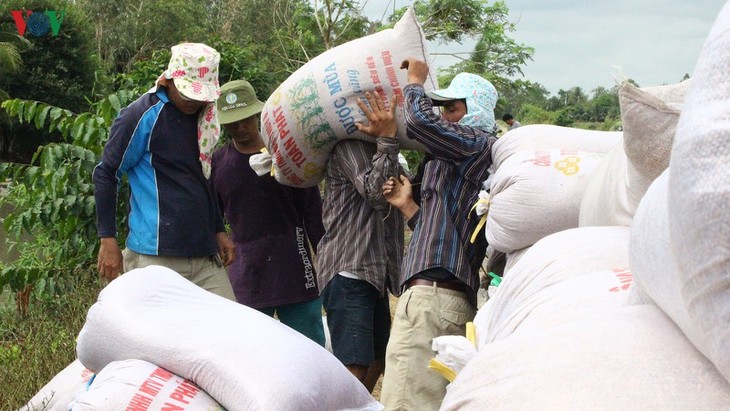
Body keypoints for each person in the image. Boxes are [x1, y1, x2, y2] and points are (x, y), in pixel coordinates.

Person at [378, 59, 498, 410]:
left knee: (405, 402)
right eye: (442, 106)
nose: (444, 114)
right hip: (442, 298)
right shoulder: (457, 159)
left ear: (475, 110)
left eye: (452, 106)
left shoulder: (475, 143)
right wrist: (408, 208)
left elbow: (417, 121)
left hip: (432, 300)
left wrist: (415, 80)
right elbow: (447, 233)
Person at [93, 42, 236, 301]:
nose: (194, 100)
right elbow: (106, 174)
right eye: (188, 93)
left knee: (228, 331)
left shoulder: (204, 116)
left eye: (200, 95)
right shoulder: (141, 115)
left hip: (203, 254)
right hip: (155, 256)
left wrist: (218, 230)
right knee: (158, 339)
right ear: (170, 80)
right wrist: (107, 239)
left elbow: (204, 176)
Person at [210, 79, 326, 346]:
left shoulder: (287, 155)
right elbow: (212, 215)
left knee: (310, 349)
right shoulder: (220, 163)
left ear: (257, 114)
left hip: (295, 269)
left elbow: (312, 213)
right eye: (232, 122)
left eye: (245, 120)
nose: (240, 128)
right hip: (247, 272)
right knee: (249, 350)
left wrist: (327, 262)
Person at [316, 92, 405, 392]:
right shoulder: (349, 148)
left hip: (374, 275)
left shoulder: (387, 153)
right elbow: (378, 194)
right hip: (348, 271)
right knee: (353, 366)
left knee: (379, 360)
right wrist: (388, 138)